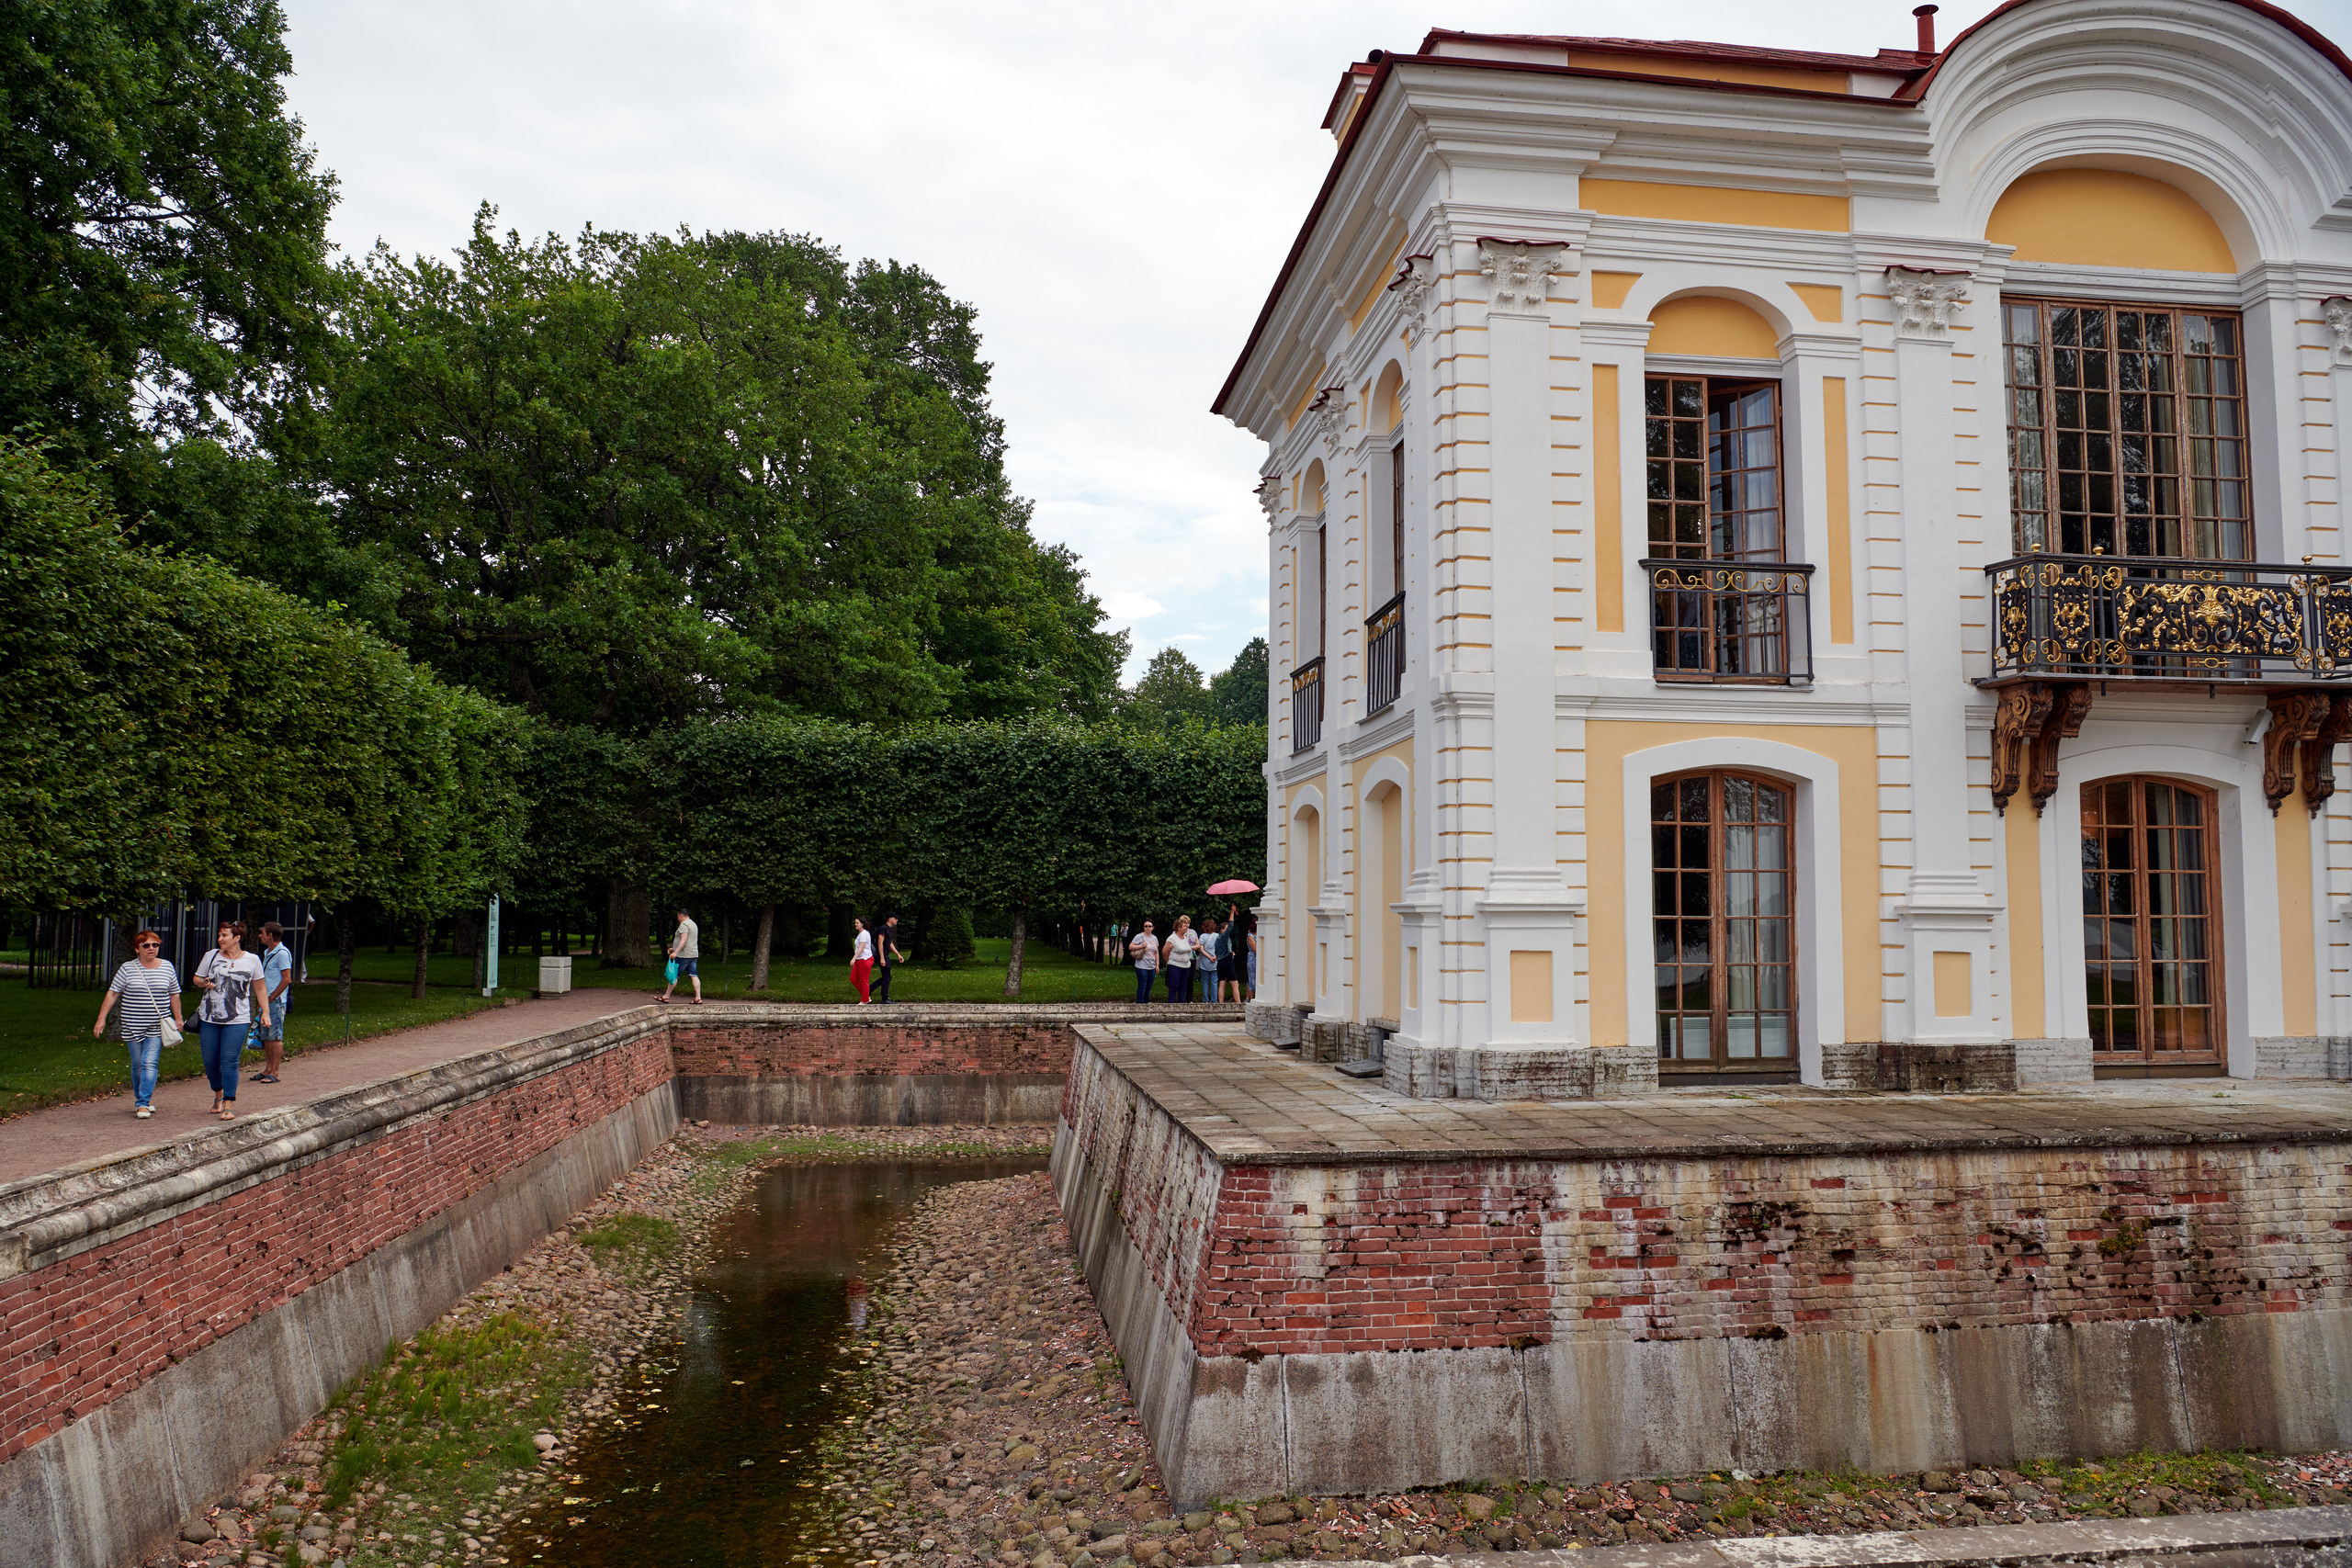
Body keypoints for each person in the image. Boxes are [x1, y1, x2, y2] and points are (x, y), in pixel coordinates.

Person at [93, 929, 184, 1120]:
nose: (151, 949)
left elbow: (174, 994)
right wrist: (101, 1019)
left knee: (149, 1062)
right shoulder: (127, 968)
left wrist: (178, 1017)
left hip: (156, 1025)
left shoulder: (167, 967)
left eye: (155, 945)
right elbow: (113, 993)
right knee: (138, 1064)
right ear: (137, 949)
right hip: (132, 1024)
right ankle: (141, 1099)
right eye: (146, 945)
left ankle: (142, 1103)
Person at [192, 919, 268, 1121]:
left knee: (230, 1061)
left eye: (224, 935)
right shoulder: (211, 955)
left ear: (237, 938)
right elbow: (196, 979)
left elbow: (260, 988)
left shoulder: (252, 960)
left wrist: (265, 1013)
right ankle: (217, 1093)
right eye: (219, 935)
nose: (220, 939)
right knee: (210, 1061)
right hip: (209, 1016)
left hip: (238, 1018)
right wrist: (204, 983)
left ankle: (228, 1104)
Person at [251, 920, 295, 1083]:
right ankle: (267, 1069)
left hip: (275, 1002)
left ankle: (275, 1072)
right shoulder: (268, 952)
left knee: (275, 1037)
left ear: (270, 935)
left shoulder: (282, 953)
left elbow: (286, 979)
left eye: (262, 932)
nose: (260, 935)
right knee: (266, 1036)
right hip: (267, 1002)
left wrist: (271, 998)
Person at [659, 907, 702, 1004]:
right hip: (693, 954)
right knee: (694, 975)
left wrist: (675, 952)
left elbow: (684, 940)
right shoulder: (693, 924)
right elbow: (689, 940)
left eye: (678, 916)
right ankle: (698, 998)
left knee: (674, 975)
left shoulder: (684, 924)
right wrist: (674, 948)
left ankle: (666, 996)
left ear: (681, 915)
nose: (678, 918)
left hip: (683, 955)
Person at [872, 914, 906, 1003]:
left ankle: (868, 991)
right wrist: (882, 958)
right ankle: (884, 998)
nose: (896, 920)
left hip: (885, 954)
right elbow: (880, 943)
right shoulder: (883, 928)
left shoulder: (889, 930)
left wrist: (898, 954)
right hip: (881, 955)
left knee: (886, 977)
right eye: (895, 918)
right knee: (887, 977)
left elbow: (890, 943)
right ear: (889, 918)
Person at [1163, 915, 1196, 1004]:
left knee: (1183, 986)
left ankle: (1181, 1003)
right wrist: (1168, 962)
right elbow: (1165, 951)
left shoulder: (1185, 938)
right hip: (1175, 965)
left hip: (1186, 966)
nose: (1187, 927)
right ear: (1178, 927)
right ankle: (1171, 1003)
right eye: (1185, 926)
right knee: (1174, 985)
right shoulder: (1172, 938)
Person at [1128, 919, 1159, 1002]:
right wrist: (1141, 946)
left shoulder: (1155, 938)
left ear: (1153, 927)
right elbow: (1130, 947)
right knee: (1142, 985)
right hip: (1141, 965)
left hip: (1152, 965)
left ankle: (1146, 1001)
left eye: (1149, 926)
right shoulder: (1139, 936)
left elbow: (1156, 953)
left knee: (1149, 985)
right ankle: (1140, 1003)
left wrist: (1157, 965)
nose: (1147, 928)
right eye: (1146, 926)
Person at [1195, 919, 1223, 1004]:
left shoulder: (1203, 936)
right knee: (1214, 982)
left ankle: (1205, 1000)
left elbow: (1201, 949)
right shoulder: (1217, 936)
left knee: (1205, 982)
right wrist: (1215, 957)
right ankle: (1214, 1001)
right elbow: (1220, 948)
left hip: (1205, 962)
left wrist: (1209, 957)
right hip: (1215, 962)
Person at [850, 916, 874, 1004]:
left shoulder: (864, 934)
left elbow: (861, 948)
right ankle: (866, 996)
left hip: (865, 959)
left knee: (864, 981)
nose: (855, 925)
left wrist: (853, 958)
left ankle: (864, 1000)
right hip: (859, 960)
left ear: (862, 924)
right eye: (855, 923)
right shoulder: (861, 933)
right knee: (853, 979)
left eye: (857, 923)